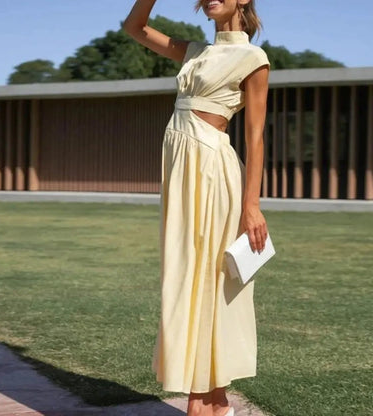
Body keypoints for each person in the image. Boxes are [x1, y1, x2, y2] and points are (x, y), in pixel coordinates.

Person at [123, 1, 270, 415]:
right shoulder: (194, 52)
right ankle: (216, 402)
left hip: (212, 170)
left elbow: (256, 136)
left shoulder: (253, 58)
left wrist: (252, 205)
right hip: (181, 173)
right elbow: (135, 27)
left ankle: (202, 401)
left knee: (210, 280)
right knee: (185, 275)